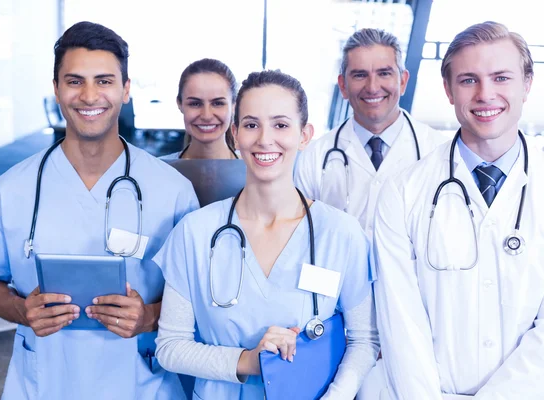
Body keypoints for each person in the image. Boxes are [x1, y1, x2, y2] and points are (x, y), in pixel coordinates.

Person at [0, 21, 199, 399]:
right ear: (56, 90)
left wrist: (148, 317)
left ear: (126, 89)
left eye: (103, 80)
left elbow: (201, 299)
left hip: (139, 384)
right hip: (43, 382)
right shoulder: (10, 191)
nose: (88, 95)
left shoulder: (172, 192)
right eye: (74, 81)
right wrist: (22, 311)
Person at [373, 21, 544, 399]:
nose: (486, 94)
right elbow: (401, 322)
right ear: (448, 90)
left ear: (527, 84)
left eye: (501, 77)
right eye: (469, 80)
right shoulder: (403, 192)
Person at [153, 70, 379, 399]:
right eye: (251, 124)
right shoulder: (195, 232)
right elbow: (170, 347)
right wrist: (248, 362)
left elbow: (364, 340)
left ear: (305, 136)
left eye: (281, 125)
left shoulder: (341, 234)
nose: (264, 139)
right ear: (235, 134)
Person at [294, 28, 447, 240]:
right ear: (343, 86)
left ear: (402, 81)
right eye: (360, 75)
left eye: (384, 73)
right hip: (339, 273)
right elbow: (303, 239)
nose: (373, 87)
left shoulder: (436, 151)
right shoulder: (316, 156)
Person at [161, 58, 239, 161]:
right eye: (195, 104)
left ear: (234, 105)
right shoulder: (157, 170)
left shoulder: (256, 172)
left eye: (217, 103)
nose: (206, 116)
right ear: (179, 104)